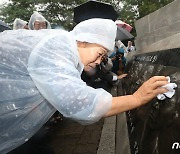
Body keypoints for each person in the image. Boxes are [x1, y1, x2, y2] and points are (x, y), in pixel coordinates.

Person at [0, 18, 169, 153]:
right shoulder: (56, 48)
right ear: (83, 41)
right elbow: (80, 103)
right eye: (99, 54)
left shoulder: (62, 46)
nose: (97, 62)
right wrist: (137, 98)